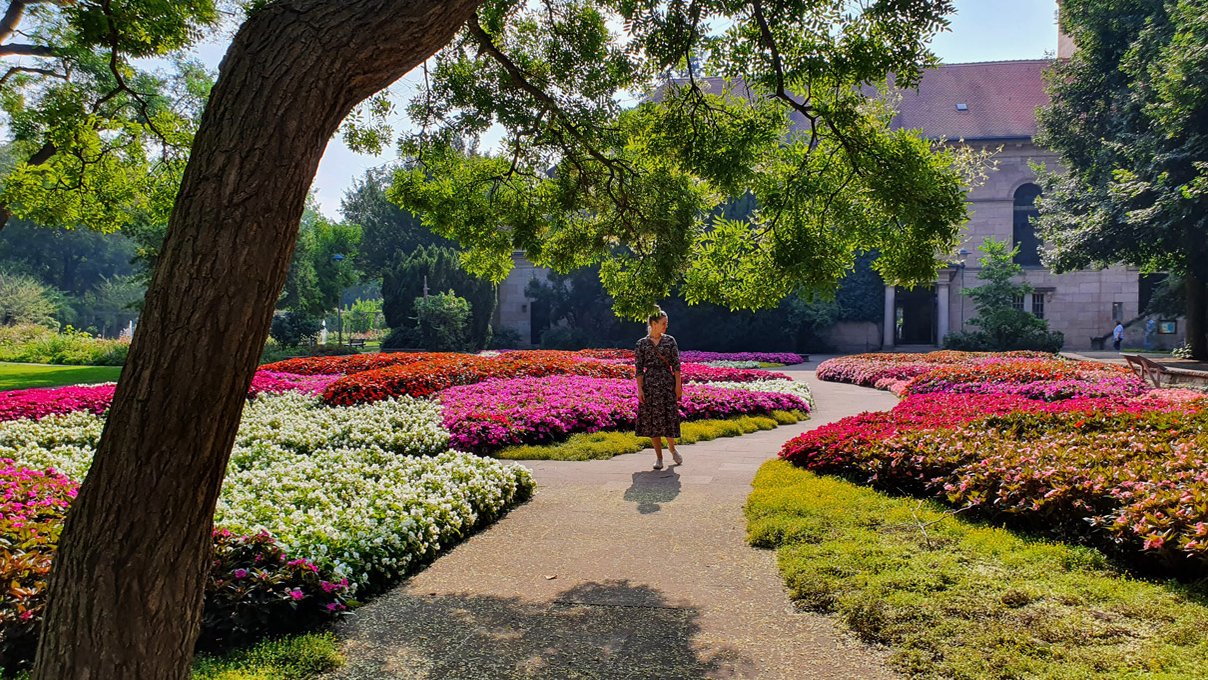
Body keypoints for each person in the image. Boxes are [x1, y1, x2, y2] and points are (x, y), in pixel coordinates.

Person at [635, 306, 682, 470]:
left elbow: (676, 367)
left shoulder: (670, 341)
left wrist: (678, 386)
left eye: (666, 323)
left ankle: (672, 448)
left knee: (668, 418)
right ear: (653, 324)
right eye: (663, 323)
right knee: (652, 422)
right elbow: (639, 369)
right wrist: (640, 390)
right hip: (649, 386)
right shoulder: (641, 344)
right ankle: (659, 458)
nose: (665, 326)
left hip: (667, 385)